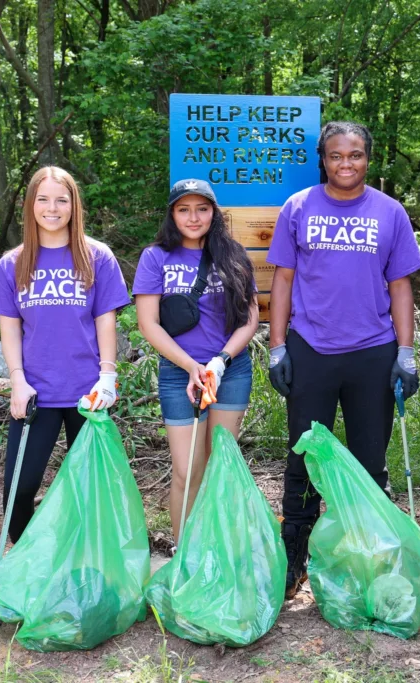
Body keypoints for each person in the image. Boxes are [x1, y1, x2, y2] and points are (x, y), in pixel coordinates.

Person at [266, 120, 420, 599]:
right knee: (305, 455)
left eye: (355, 155)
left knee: (370, 460)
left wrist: (406, 352)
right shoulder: (298, 208)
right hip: (311, 348)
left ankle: (366, 554)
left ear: (367, 159)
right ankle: (295, 554)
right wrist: (277, 346)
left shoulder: (389, 212)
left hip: (373, 352)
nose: (346, 163)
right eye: (336, 155)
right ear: (324, 159)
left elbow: (401, 286)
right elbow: (283, 281)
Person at [0, 166, 130, 543]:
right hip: (35, 393)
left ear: (74, 205)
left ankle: (88, 571)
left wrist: (108, 377)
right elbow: (10, 328)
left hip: (87, 393)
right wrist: (16, 381)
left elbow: (105, 321)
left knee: (91, 491)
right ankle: (26, 568)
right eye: (44, 199)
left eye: (61, 200)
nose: (53, 208)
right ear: (30, 204)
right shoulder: (12, 263)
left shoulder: (97, 256)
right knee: (19, 488)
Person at [134, 178, 258, 547]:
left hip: (229, 372)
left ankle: (217, 548)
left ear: (213, 213)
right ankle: (185, 552)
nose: (193, 217)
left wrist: (221, 360)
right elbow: (148, 323)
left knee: (220, 464)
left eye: (202, 209)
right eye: (184, 209)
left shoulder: (232, 253)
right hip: (178, 373)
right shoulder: (155, 256)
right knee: (188, 470)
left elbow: (250, 318)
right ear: (172, 214)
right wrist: (191, 366)